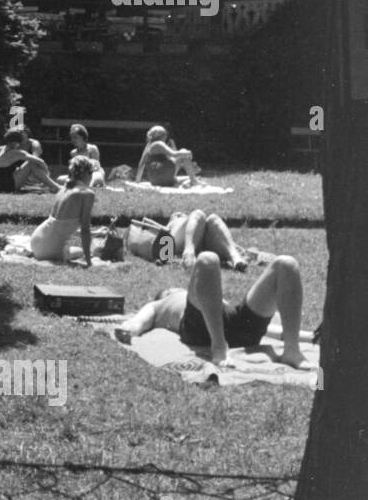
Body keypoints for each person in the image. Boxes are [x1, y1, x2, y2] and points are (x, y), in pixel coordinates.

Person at [117, 253, 310, 369]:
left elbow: (269, 330)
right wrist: (130, 329)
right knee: (207, 260)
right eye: (170, 289)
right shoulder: (162, 303)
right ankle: (219, 346)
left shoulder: (204, 293)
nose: (175, 288)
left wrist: (308, 337)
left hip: (237, 326)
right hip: (201, 332)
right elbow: (140, 320)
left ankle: (292, 350)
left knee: (287, 264)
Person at [29, 156, 97, 264]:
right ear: (87, 174)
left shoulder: (63, 189)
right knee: (80, 251)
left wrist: (96, 233)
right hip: (50, 250)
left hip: (36, 239)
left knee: (73, 248)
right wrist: (89, 261)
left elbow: (62, 225)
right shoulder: (87, 193)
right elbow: (85, 229)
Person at [165, 209, 250, 270]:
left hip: (203, 243)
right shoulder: (175, 222)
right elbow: (162, 239)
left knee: (213, 218)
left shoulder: (195, 224)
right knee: (198, 214)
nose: (181, 214)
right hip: (179, 241)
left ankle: (235, 258)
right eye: (178, 214)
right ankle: (188, 252)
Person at [0, 129, 61, 193]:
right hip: (9, 187)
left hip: (1, 185)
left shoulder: (0, 148)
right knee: (31, 163)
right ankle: (56, 187)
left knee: (24, 166)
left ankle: (51, 185)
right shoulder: (16, 153)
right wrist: (47, 173)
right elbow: (40, 161)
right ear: (16, 142)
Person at [135, 125, 199, 187]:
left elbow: (141, 164)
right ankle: (193, 181)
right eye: (165, 135)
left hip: (154, 180)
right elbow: (174, 154)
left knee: (181, 159)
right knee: (183, 151)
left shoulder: (148, 145)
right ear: (163, 136)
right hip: (164, 178)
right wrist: (187, 152)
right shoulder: (159, 143)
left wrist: (137, 180)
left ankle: (192, 179)